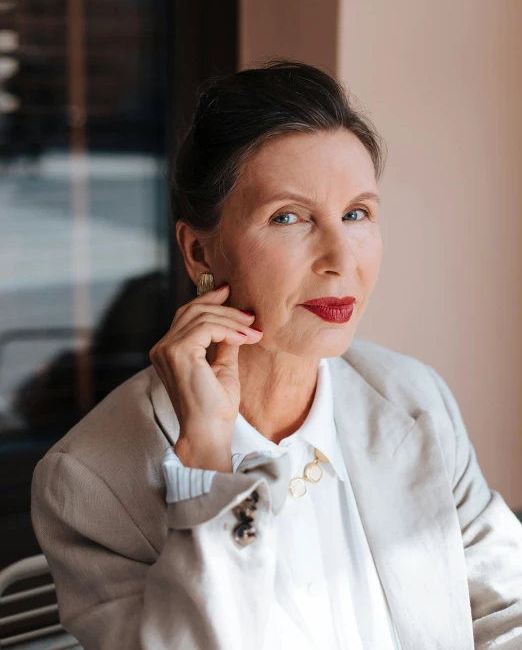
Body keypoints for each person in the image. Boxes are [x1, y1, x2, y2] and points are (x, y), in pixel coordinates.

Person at [31, 60, 522, 650]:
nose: (340, 257)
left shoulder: (415, 398)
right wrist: (205, 464)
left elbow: (506, 610)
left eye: (357, 213)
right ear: (197, 250)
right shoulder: (89, 481)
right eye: (290, 217)